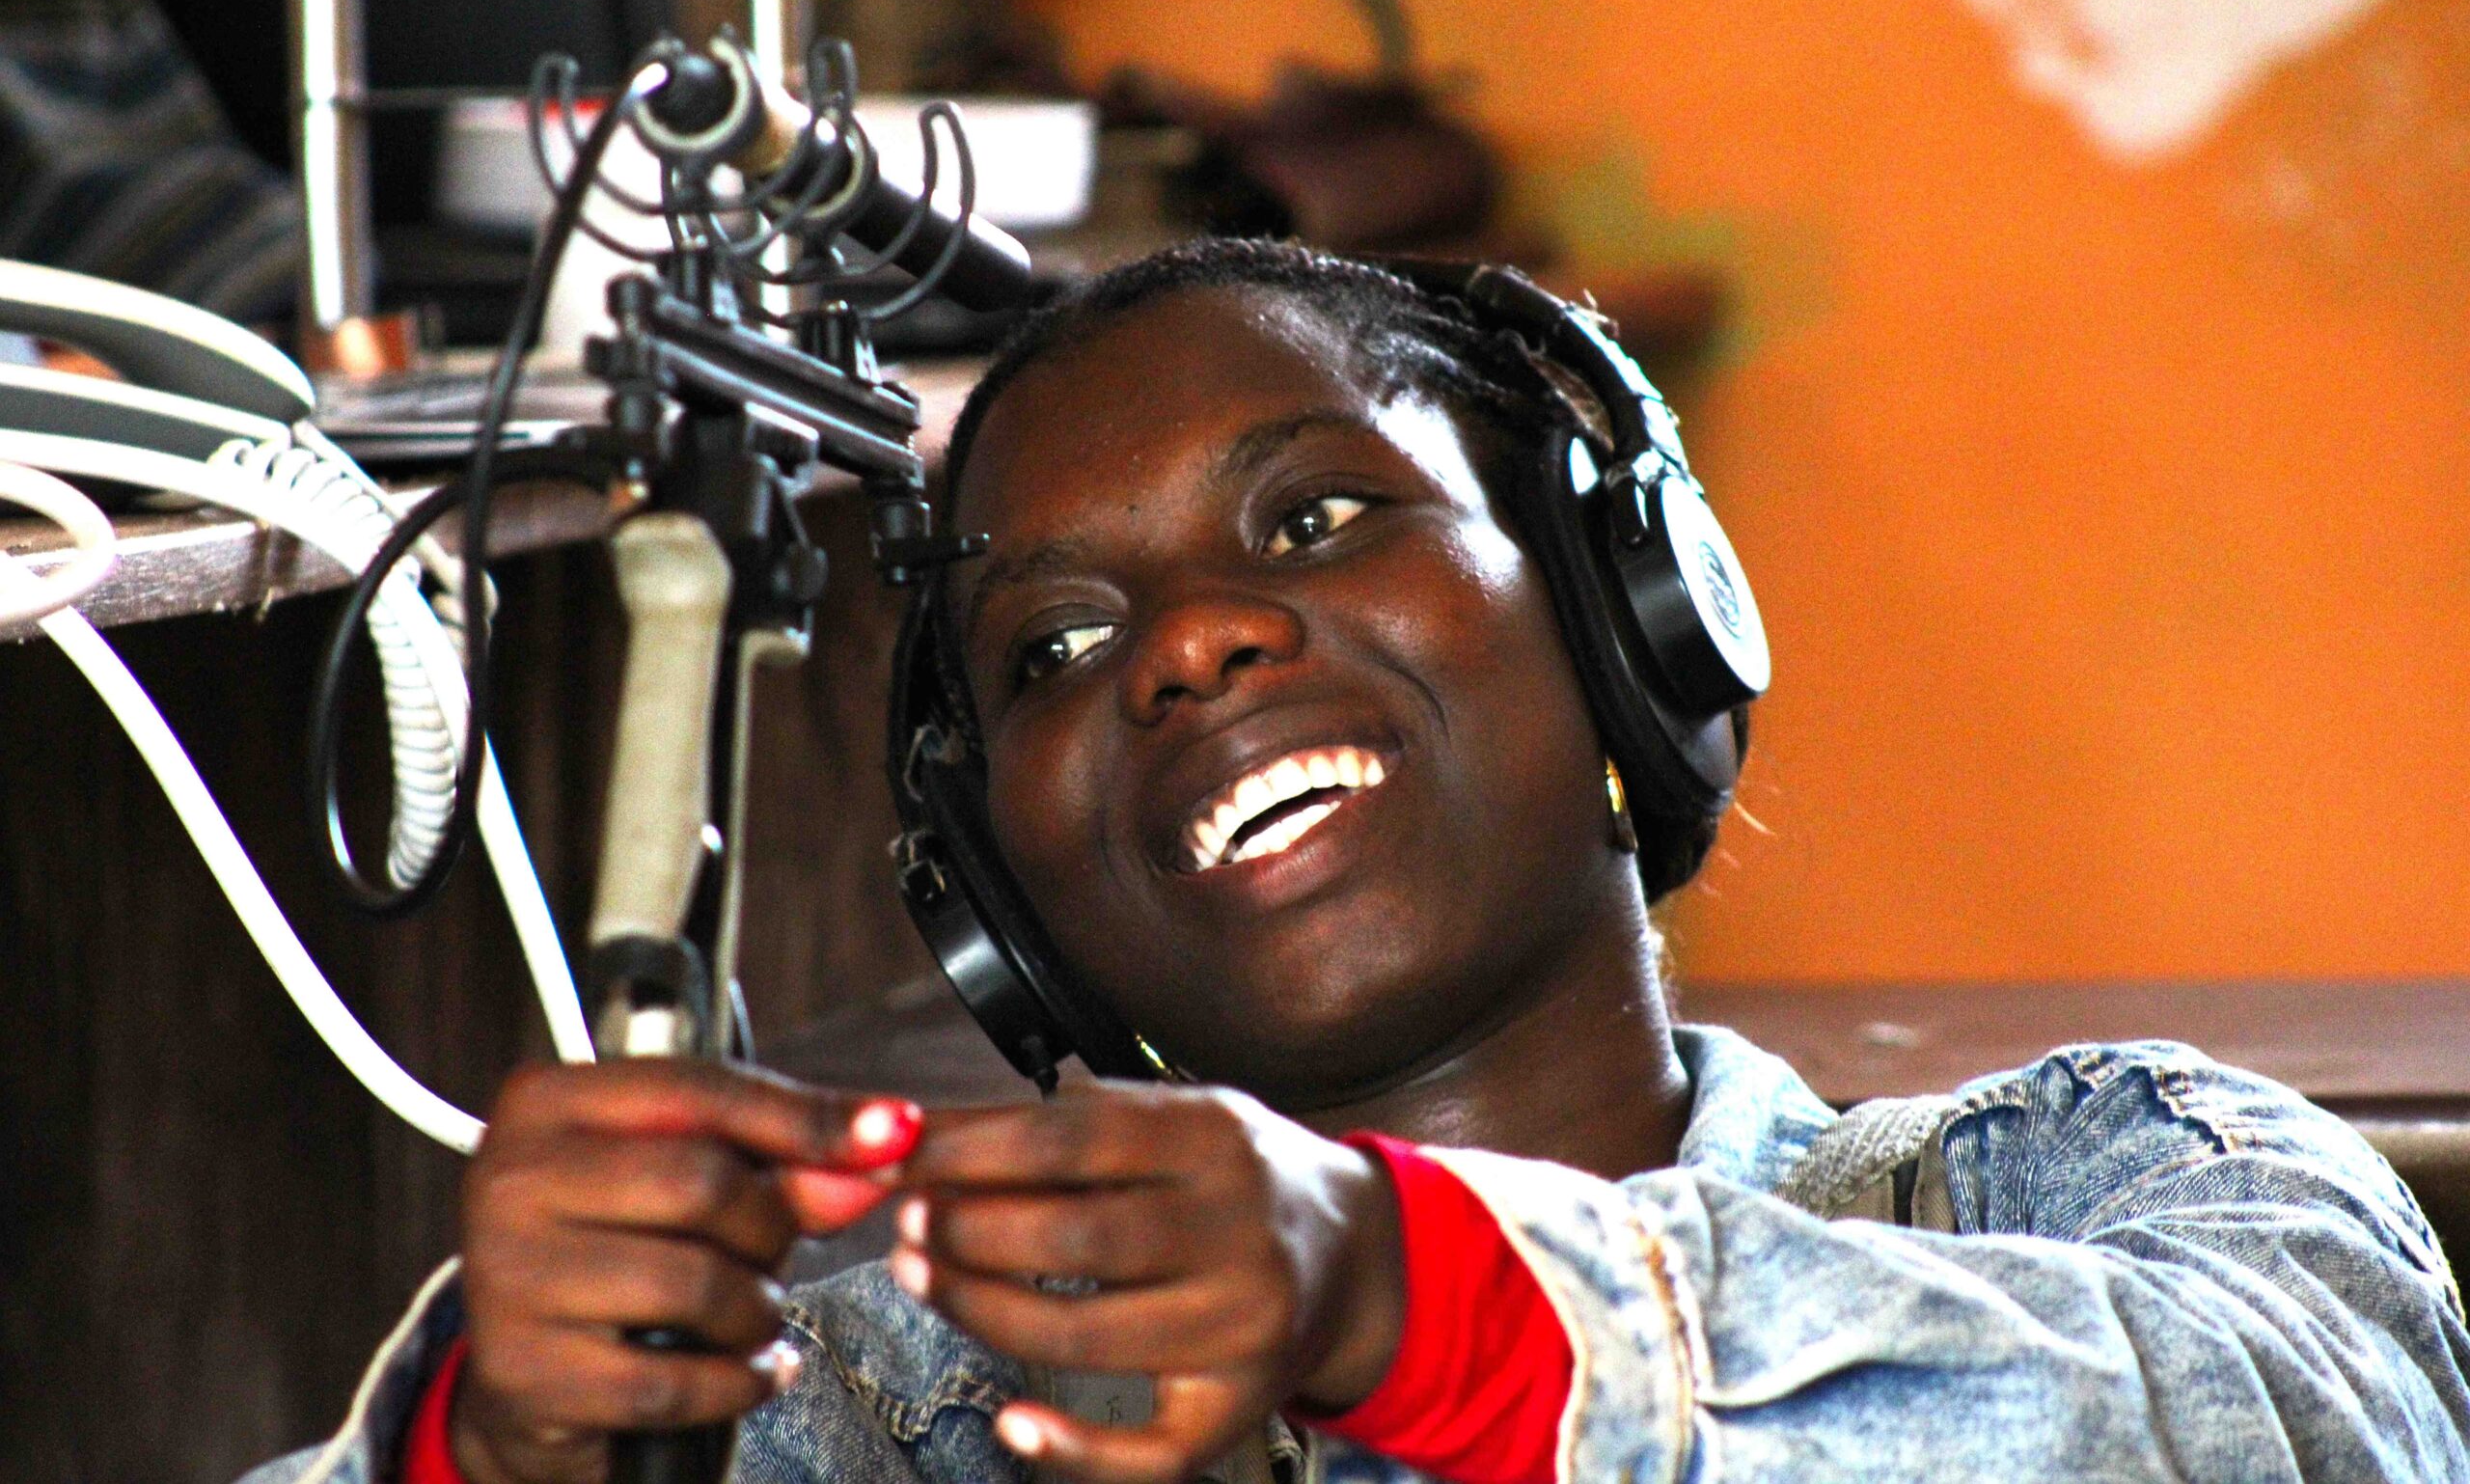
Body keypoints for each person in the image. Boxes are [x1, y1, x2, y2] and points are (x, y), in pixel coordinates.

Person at [246, 239, 2470, 1484]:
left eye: (1316, 516)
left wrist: (1410, 1293)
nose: (1187, 644)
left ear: (1623, 617)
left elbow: (2312, 1433)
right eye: (1054, 645)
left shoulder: (2103, 1181)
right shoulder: (872, 1408)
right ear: (1008, 916)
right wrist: (498, 1453)